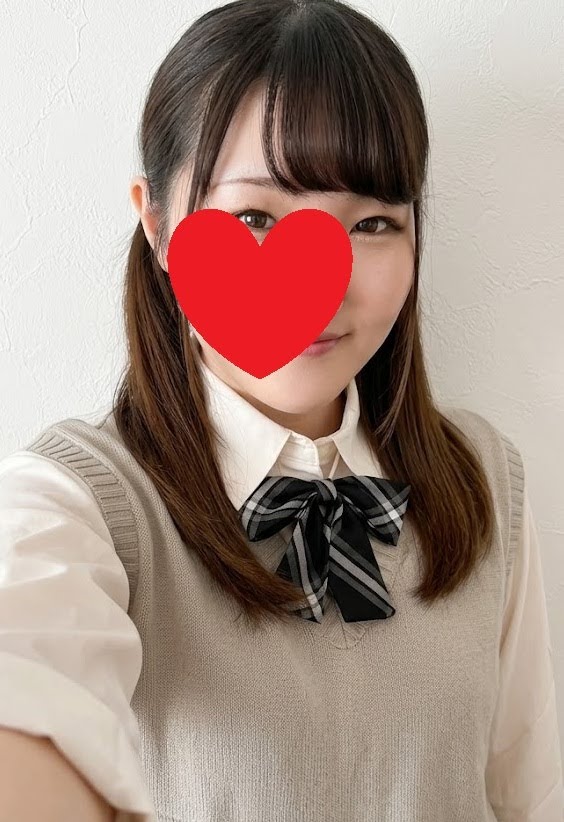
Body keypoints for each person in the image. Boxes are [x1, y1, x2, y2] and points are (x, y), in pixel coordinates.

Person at [0, 0, 562, 820]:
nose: (321, 285)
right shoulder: (79, 505)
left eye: (373, 222)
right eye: (255, 216)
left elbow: (528, 797)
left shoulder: (483, 481)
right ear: (158, 225)